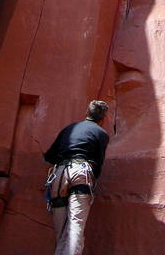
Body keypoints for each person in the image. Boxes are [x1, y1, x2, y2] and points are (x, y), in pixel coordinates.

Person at [44, 100, 109, 255]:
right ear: (103, 119)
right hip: (82, 173)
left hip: (59, 175)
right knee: (75, 229)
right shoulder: (101, 134)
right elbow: (98, 163)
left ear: (87, 113)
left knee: (61, 233)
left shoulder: (69, 128)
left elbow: (50, 156)